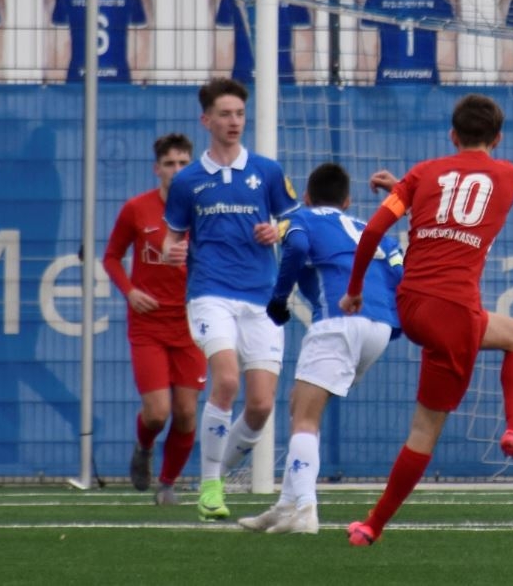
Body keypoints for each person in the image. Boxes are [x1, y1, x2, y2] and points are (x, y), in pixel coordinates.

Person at [339, 94, 513, 546]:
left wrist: (354, 290)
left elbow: (374, 231)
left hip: (413, 306)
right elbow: (469, 202)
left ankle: (372, 524)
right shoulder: (509, 175)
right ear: (498, 139)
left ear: (452, 135)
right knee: (426, 428)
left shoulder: (421, 175)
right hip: (454, 312)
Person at [237, 163, 405, 535]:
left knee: (304, 417)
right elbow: (399, 272)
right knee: (300, 402)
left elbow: (296, 245)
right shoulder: (371, 229)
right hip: (380, 328)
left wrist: (280, 297)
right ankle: (286, 505)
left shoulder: (301, 218)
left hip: (339, 321)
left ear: (307, 197)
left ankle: (305, 509)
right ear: (347, 201)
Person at [162, 77, 302, 520]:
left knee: (261, 405)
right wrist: (171, 251)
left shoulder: (267, 171)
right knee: (225, 381)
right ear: (206, 120)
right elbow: (171, 239)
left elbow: (294, 225)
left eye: (239, 114)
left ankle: (217, 475)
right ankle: (209, 486)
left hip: (262, 296)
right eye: (225, 114)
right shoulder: (187, 181)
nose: (234, 121)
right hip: (210, 293)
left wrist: (275, 230)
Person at [103, 133, 199, 504]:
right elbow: (111, 257)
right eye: (170, 164)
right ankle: (143, 447)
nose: (177, 170)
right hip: (149, 324)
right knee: (158, 413)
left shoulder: (204, 211)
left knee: (186, 413)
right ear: (157, 169)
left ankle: (168, 484)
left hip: (192, 323)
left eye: (183, 163)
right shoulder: (137, 209)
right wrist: (130, 291)